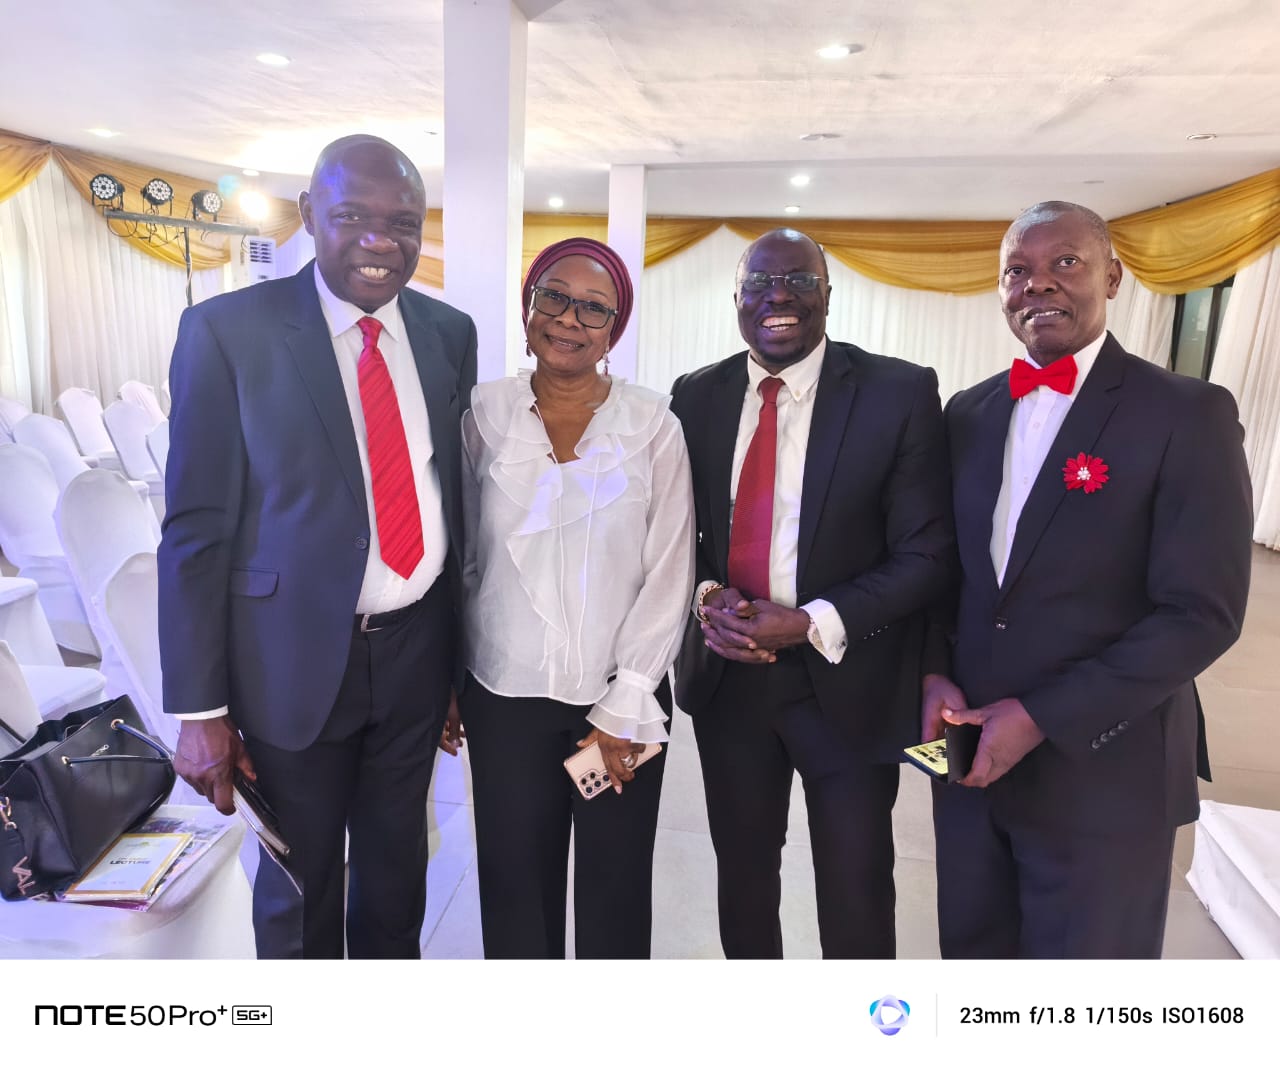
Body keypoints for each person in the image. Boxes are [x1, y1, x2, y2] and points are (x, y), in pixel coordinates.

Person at [157, 134, 477, 958]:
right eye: (352, 216)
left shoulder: (448, 333)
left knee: (397, 878)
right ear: (307, 215)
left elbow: (454, 499)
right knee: (300, 892)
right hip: (287, 663)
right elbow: (195, 529)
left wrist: (454, 668)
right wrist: (200, 711)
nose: (380, 241)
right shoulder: (228, 333)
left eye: (402, 222)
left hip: (414, 656)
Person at [925, 201, 1253, 958]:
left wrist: (1041, 714)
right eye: (1017, 271)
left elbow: (1201, 612)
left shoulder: (1187, 413)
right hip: (972, 759)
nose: (1037, 284)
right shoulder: (969, 412)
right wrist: (934, 671)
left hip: (1108, 767)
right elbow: (949, 573)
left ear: (1113, 276)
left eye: (1064, 262)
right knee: (973, 967)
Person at [669, 228, 953, 958]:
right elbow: (678, 534)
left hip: (851, 681)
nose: (779, 297)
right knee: (743, 879)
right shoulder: (696, 396)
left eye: (799, 280)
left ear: (829, 294)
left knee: (857, 890)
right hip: (731, 684)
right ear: (736, 299)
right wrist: (708, 595)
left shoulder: (898, 392)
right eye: (760, 283)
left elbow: (927, 554)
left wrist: (809, 621)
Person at [454, 237, 694, 958]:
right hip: (504, 694)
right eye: (553, 296)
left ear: (615, 329)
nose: (569, 319)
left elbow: (671, 567)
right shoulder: (482, 414)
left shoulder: (653, 425)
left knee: (614, 887)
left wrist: (630, 697)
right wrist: (447, 678)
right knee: (514, 882)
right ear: (528, 305)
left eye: (595, 308)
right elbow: (464, 558)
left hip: (619, 701)